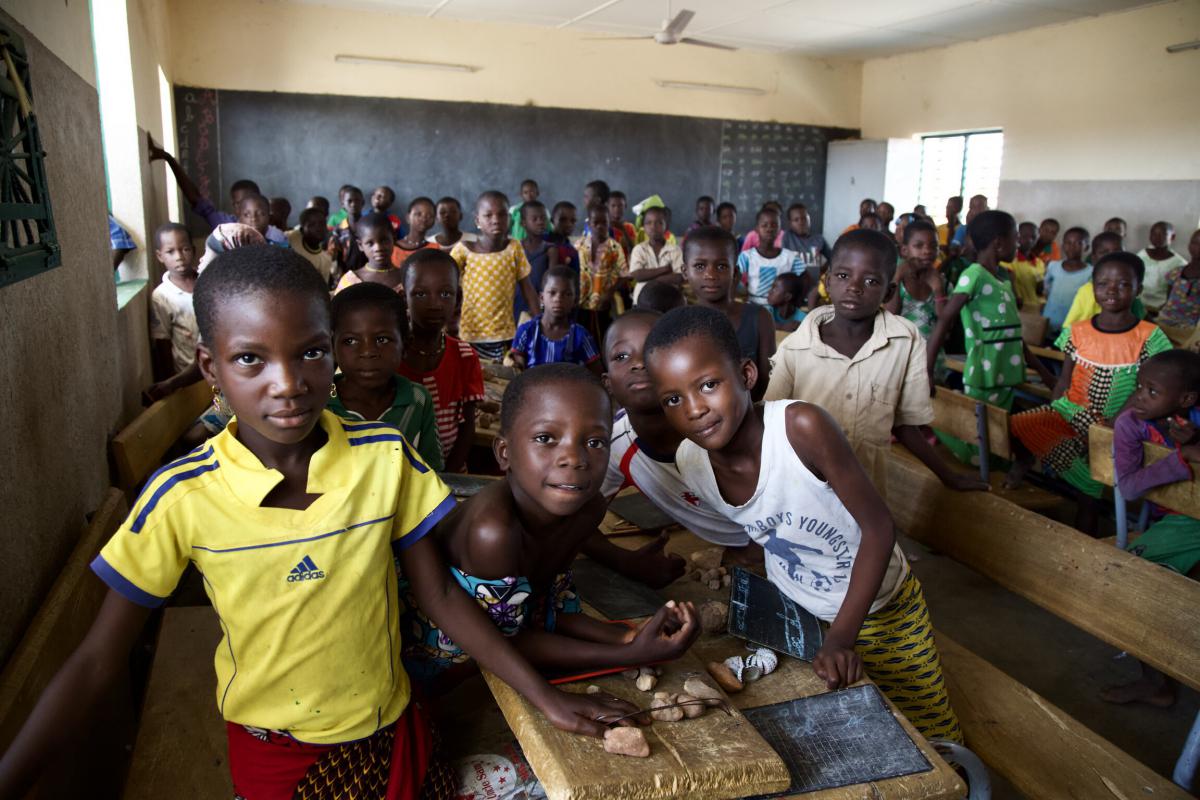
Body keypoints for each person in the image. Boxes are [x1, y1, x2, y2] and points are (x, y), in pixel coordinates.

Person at [0, 247, 637, 799]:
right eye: (251, 359)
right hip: (277, 751)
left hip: (391, 727)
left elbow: (442, 594)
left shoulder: (382, 455)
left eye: (309, 352)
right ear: (210, 368)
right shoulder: (182, 495)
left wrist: (547, 698)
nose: (288, 384)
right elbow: (95, 661)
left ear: (329, 351)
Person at [644, 305, 962, 742]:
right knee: (847, 734)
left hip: (878, 609)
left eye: (709, 385)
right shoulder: (691, 461)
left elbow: (880, 530)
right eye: (673, 399)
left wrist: (842, 638)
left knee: (928, 730)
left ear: (748, 374)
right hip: (798, 609)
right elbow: (769, 523)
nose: (694, 409)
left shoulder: (800, 429)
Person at [399, 364, 700, 683]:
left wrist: (629, 636)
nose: (574, 458)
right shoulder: (493, 532)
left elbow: (542, 605)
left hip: (509, 638)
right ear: (504, 452)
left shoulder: (588, 509)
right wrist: (628, 653)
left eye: (595, 442)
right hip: (439, 669)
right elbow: (506, 643)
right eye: (546, 438)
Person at [768, 228, 985, 500]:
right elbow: (769, 420)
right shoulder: (797, 346)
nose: (854, 287)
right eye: (844, 276)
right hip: (800, 492)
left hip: (867, 494)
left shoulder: (905, 341)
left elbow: (904, 424)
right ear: (828, 280)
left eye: (871, 281)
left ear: (888, 291)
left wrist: (948, 476)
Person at [1007, 253, 1171, 531]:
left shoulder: (1149, 336)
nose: (1111, 290)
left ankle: (1087, 505)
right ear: (1092, 288)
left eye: (1122, 284)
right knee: (1018, 424)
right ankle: (1062, 472)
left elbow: (1146, 389)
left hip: (1117, 421)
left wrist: (1116, 420)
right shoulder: (1078, 331)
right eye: (1103, 283)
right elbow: (1065, 380)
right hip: (1070, 409)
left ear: (1138, 290)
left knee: (1089, 490)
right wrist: (1056, 402)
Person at [600, 310, 752, 553]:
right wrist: (625, 563)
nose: (639, 363)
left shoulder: (720, 423)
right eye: (622, 355)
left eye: (650, 350)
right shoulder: (616, 446)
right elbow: (571, 521)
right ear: (607, 382)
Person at [1102, 349, 1200, 708]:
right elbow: (1127, 487)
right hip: (1179, 519)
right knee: (1133, 581)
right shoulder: (1132, 423)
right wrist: (1181, 457)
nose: (1139, 396)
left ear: (1186, 399)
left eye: (1152, 391)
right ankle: (1157, 681)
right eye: (1140, 386)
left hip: (1188, 523)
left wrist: (1191, 442)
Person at [926, 211, 1054, 464]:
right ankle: (927, 426)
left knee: (996, 443)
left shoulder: (1003, 281)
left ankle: (1015, 463)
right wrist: (927, 370)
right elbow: (945, 319)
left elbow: (1013, 335)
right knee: (978, 445)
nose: (1018, 244)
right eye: (1015, 238)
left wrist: (1045, 373)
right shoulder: (974, 275)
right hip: (985, 371)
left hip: (1006, 373)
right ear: (998, 243)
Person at [328, 282, 443, 470]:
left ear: (405, 345)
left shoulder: (418, 400)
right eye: (350, 341)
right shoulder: (322, 401)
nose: (368, 352)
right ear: (332, 347)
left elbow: (432, 471)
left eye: (382, 339)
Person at [398, 250, 485, 474]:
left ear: (458, 298)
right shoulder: (390, 356)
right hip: (394, 475)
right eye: (420, 294)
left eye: (446, 294)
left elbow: (467, 426)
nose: (435, 304)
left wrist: (447, 475)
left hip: (449, 474)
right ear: (402, 297)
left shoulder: (465, 356)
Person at [146, 133, 287, 245]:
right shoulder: (226, 225)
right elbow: (195, 198)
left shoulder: (274, 232)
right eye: (238, 204)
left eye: (249, 202)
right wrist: (169, 159)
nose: (252, 217)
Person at [684, 226, 774, 402]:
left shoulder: (760, 318)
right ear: (685, 272)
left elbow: (769, 382)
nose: (710, 274)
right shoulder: (678, 323)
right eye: (700, 266)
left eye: (722, 266)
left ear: (736, 273)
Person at [451, 191, 540, 362]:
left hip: (504, 333)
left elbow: (528, 289)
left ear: (509, 218)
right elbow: (446, 283)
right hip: (469, 333)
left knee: (499, 381)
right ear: (477, 220)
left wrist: (539, 324)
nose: (495, 220)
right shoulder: (464, 250)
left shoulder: (513, 248)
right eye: (488, 215)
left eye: (501, 214)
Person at [885, 220, 946, 382]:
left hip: (933, 362)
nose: (927, 251)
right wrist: (897, 278)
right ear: (905, 250)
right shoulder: (898, 279)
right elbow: (890, 315)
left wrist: (938, 289)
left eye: (933, 246)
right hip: (900, 362)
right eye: (919, 246)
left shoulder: (941, 282)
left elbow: (946, 323)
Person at [509, 267, 601, 375]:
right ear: (542, 298)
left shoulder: (580, 336)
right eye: (552, 293)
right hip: (532, 390)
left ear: (575, 301)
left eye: (567, 294)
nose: (558, 299)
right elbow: (518, 372)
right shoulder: (526, 331)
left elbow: (597, 373)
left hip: (567, 390)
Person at [1061, 233, 1147, 328]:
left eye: (1118, 252)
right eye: (1103, 284)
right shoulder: (1086, 290)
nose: (1112, 257)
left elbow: (1140, 325)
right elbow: (1068, 327)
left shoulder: (1131, 294)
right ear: (1093, 259)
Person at [149, 223, 199, 382]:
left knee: (221, 407)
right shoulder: (162, 295)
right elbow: (163, 341)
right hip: (185, 374)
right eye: (170, 252)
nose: (179, 256)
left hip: (218, 371)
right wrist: (172, 381)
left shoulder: (208, 282)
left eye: (185, 249)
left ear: (194, 250)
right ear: (159, 256)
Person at [577, 203, 627, 344]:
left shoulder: (614, 247)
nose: (600, 226)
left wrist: (610, 292)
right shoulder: (579, 245)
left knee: (601, 337)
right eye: (595, 222)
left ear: (609, 223)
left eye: (604, 222)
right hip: (581, 300)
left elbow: (624, 275)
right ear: (589, 223)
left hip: (602, 301)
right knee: (582, 336)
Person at [737, 208, 803, 307]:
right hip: (753, 306)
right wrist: (741, 291)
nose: (769, 229)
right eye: (764, 225)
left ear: (779, 229)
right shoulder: (747, 256)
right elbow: (733, 277)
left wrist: (797, 301)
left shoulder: (790, 257)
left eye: (774, 225)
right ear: (757, 229)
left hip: (780, 308)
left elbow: (806, 279)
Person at [1042, 227, 1095, 335]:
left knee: (1064, 349)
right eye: (1068, 243)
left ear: (1086, 247)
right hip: (1048, 320)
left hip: (1072, 324)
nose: (1072, 247)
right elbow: (1046, 288)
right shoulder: (1053, 266)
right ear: (1063, 246)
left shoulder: (1091, 272)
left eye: (1078, 243)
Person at [626, 206, 684, 304]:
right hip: (642, 301)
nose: (653, 226)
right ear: (643, 227)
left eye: (659, 223)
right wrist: (664, 269)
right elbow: (637, 276)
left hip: (669, 301)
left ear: (666, 226)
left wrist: (648, 279)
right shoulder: (639, 249)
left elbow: (679, 277)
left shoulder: (675, 250)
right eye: (649, 223)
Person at [334, 213, 404, 294]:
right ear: (360, 245)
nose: (378, 248)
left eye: (384, 240)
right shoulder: (350, 281)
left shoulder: (406, 278)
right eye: (370, 243)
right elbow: (338, 306)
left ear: (394, 239)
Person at [513, 201, 555, 323]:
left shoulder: (550, 249)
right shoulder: (515, 248)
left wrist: (542, 306)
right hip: (516, 303)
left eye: (543, 218)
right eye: (535, 219)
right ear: (523, 223)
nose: (540, 222)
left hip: (539, 304)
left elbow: (551, 282)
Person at [1140, 222, 1190, 315]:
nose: (1157, 237)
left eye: (1163, 234)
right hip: (1139, 303)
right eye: (1153, 234)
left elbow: (1178, 291)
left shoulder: (1179, 263)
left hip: (1163, 308)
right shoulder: (1142, 255)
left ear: (1172, 237)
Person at [1157, 229, 1200, 330]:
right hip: (1166, 319)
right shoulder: (1176, 272)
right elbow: (1169, 298)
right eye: (1194, 243)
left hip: (1192, 326)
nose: (1198, 247)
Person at [286, 207, 337, 287]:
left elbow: (322, 288)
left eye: (322, 223)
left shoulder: (325, 259)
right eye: (312, 225)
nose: (318, 228)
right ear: (302, 228)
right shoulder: (290, 238)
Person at [1001, 221, 1046, 309]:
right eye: (1024, 236)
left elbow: (1040, 290)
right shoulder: (1008, 260)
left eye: (1033, 237)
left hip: (1038, 307)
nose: (1029, 240)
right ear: (1016, 236)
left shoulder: (1039, 262)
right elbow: (1008, 283)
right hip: (1019, 308)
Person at [781, 203, 829, 282]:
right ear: (790, 224)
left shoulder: (819, 239)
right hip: (793, 283)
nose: (801, 222)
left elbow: (830, 263)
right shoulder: (787, 237)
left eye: (804, 218)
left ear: (809, 219)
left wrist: (822, 261)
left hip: (814, 283)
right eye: (796, 220)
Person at [391, 197, 440, 266]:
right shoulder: (393, 248)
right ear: (408, 218)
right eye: (418, 214)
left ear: (434, 221)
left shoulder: (435, 249)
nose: (424, 219)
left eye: (429, 216)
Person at [331, 185, 367, 271]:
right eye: (349, 201)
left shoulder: (368, 227)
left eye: (357, 200)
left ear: (363, 203)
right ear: (343, 204)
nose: (353, 204)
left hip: (367, 272)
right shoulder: (338, 230)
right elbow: (333, 257)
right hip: (346, 274)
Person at [546, 201, 581, 274]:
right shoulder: (542, 242)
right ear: (552, 221)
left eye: (573, 221)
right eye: (563, 220)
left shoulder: (572, 251)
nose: (568, 224)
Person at [607, 191, 638, 257]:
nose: (617, 209)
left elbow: (633, 251)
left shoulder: (629, 227)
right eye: (613, 206)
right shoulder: (603, 227)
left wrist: (623, 230)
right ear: (607, 207)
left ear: (625, 206)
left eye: (620, 205)